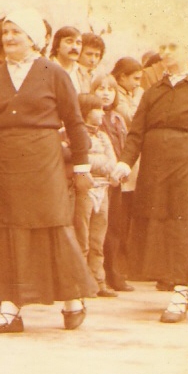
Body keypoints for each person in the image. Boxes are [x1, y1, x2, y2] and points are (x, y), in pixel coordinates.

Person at [0, 8, 93, 333]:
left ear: (33, 38)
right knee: (5, 232)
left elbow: (75, 122)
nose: (9, 37)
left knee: (52, 227)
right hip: (2, 162)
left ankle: (73, 300)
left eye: (16, 32)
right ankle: (9, 312)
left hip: (43, 162)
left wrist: (82, 165)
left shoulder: (54, 73)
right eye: (6, 32)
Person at [111, 40, 188, 323]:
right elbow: (136, 133)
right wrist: (124, 162)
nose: (165, 53)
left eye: (173, 47)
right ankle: (183, 286)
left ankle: (181, 290)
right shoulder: (153, 92)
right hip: (156, 170)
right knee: (162, 227)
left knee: (183, 224)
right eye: (162, 48)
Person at [74, 93, 118, 297]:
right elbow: (80, 159)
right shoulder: (75, 133)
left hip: (103, 189)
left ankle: (99, 281)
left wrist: (94, 162)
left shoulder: (102, 136)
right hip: (85, 190)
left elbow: (112, 162)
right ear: (86, 111)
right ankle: (82, 283)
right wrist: (99, 162)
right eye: (98, 109)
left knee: (97, 239)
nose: (102, 113)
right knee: (82, 238)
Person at [91, 73, 133, 293]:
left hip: (117, 180)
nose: (106, 94)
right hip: (99, 181)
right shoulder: (92, 118)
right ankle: (99, 276)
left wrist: (122, 171)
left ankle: (115, 274)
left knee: (115, 227)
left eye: (110, 89)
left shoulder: (117, 119)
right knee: (99, 230)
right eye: (101, 89)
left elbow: (124, 146)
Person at [49, 26, 88, 93]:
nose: (74, 47)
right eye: (69, 42)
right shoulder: (45, 69)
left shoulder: (83, 73)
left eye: (78, 43)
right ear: (57, 46)